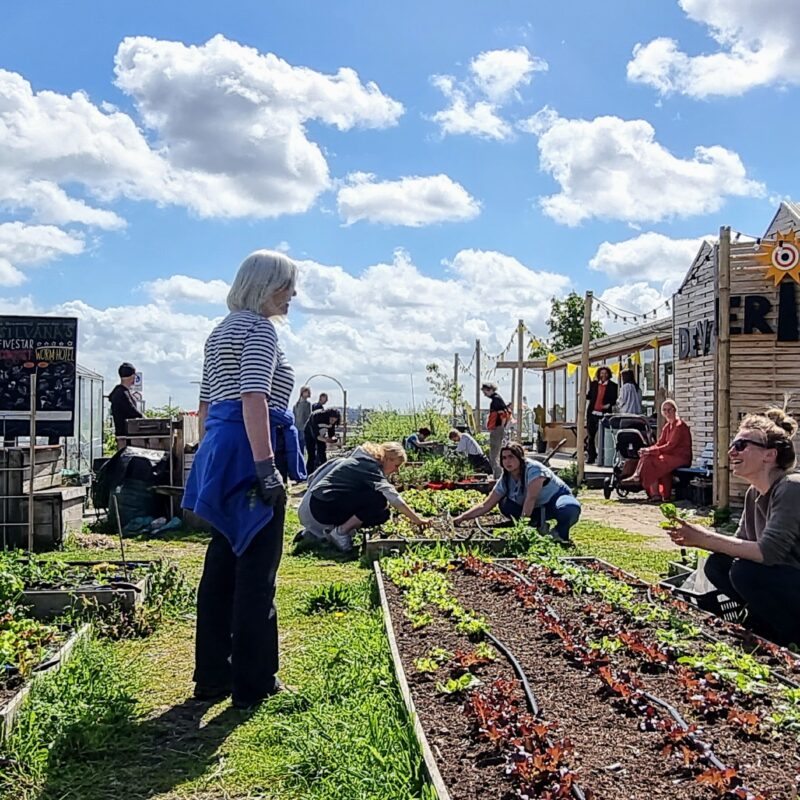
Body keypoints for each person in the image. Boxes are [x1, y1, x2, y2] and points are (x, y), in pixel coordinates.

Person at [182, 250, 306, 710]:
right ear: (267, 286)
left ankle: (212, 674)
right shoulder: (257, 329)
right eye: (287, 286)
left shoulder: (220, 332)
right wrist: (264, 465)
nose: (292, 295)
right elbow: (253, 395)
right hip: (249, 451)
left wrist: (208, 461)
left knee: (223, 563)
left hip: (222, 448)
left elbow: (205, 406)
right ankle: (254, 682)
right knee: (257, 568)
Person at [666, 408, 800, 646]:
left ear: (769, 455)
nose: (731, 452)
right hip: (785, 580)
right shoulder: (754, 494)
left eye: (741, 445)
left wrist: (705, 538)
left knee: (744, 572)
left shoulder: (790, 488)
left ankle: (789, 636)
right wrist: (697, 536)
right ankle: (763, 624)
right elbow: (738, 547)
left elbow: (767, 553)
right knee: (719, 564)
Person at [298, 442, 432, 551]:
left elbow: (313, 478)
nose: (396, 470)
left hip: (317, 505)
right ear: (387, 458)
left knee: (383, 514)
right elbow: (393, 497)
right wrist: (417, 519)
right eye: (396, 465)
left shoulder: (360, 460)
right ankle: (340, 532)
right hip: (322, 508)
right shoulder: (369, 466)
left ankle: (322, 532)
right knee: (378, 500)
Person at [453, 443, 581, 543]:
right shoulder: (506, 478)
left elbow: (531, 498)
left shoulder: (534, 470)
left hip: (554, 500)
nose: (507, 461)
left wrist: (521, 530)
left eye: (511, 457)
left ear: (520, 458)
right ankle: (536, 523)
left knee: (569, 509)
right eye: (504, 458)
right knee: (505, 504)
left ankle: (560, 534)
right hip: (536, 508)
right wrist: (462, 518)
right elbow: (486, 505)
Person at [632, 399, 691, 501]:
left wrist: (650, 451)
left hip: (680, 457)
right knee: (648, 456)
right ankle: (657, 493)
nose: (667, 413)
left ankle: (650, 489)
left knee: (652, 460)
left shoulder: (679, 425)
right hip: (669, 456)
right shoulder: (667, 426)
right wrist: (647, 449)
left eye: (669, 410)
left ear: (675, 410)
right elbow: (659, 443)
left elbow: (670, 446)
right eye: (664, 410)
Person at [586, 367, 618, 464]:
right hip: (592, 413)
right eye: (601, 373)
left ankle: (604, 458)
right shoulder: (594, 384)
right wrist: (582, 394)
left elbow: (614, 399)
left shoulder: (613, 386)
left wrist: (609, 404)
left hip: (604, 414)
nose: (603, 375)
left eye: (605, 373)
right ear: (599, 374)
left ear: (608, 374)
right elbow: (590, 396)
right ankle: (591, 457)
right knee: (591, 436)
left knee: (604, 436)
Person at [108, 362, 143, 445]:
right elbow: (133, 412)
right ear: (132, 376)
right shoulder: (122, 394)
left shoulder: (118, 392)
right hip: (127, 436)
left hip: (122, 435)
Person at [482, 382, 511, 478]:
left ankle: (498, 475)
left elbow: (502, 415)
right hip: (498, 428)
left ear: (489, 390)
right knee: (495, 452)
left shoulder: (496, 400)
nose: (484, 394)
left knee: (494, 453)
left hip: (497, 429)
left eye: (485, 391)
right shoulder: (497, 399)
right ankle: (498, 474)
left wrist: (501, 427)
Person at [304, 407, 341, 473]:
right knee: (311, 455)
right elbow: (315, 435)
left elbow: (331, 434)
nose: (333, 422)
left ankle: (324, 472)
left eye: (334, 421)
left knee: (322, 453)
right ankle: (309, 473)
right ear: (328, 416)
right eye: (332, 419)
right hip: (310, 433)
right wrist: (326, 440)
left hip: (322, 435)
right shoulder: (317, 416)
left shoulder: (332, 422)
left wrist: (333, 439)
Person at [292, 386, 312, 456]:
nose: (307, 394)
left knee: (304, 447)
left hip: (304, 429)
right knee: (298, 448)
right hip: (297, 428)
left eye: (308, 392)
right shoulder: (296, 405)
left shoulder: (308, 404)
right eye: (305, 392)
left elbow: (309, 417)